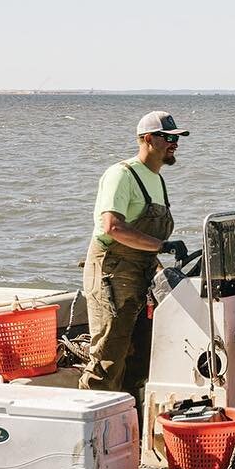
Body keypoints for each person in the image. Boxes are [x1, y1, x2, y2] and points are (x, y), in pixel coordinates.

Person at [80, 111, 189, 406]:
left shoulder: (157, 181)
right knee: (108, 356)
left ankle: (128, 428)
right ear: (147, 139)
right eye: (168, 138)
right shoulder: (121, 174)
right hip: (112, 273)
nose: (174, 143)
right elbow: (112, 227)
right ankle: (87, 428)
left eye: (176, 138)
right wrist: (161, 245)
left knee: (141, 357)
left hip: (142, 276)